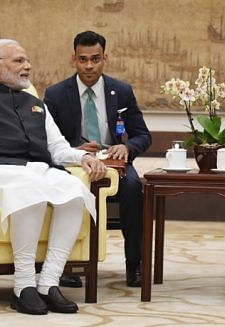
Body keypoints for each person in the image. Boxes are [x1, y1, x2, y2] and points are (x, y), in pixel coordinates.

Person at [0, 39, 107, 315]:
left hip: (37, 169)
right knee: (30, 188)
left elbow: (58, 148)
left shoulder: (37, 104)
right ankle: (23, 285)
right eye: (19, 61)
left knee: (75, 192)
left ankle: (49, 282)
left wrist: (83, 157)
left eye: (27, 61)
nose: (27, 66)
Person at [44, 30, 151, 288]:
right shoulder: (56, 94)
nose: (89, 66)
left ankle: (134, 265)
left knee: (134, 189)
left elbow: (143, 135)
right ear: (74, 60)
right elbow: (44, 140)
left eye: (95, 59)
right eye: (83, 59)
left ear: (106, 58)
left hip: (114, 164)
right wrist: (75, 149)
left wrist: (127, 149)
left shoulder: (122, 91)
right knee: (60, 190)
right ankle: (67, 266)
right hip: (74, 164)